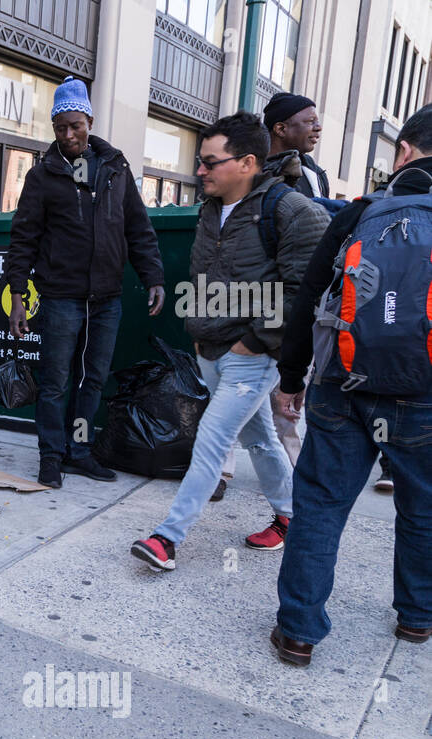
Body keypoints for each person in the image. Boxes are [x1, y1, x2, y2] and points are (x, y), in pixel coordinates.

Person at [267, 103, 432, 666]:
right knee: (424, 505)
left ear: (404, 151)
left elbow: (308, 297)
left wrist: (291, 378)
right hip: (424, 394)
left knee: (319, 504)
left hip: (344, 381)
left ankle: (298, 631)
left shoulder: (361, 214)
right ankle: (416, 617)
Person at [132, 111, 330, 572]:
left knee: (212, 440)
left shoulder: (293, 211)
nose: (199, 171)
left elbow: (304, 291)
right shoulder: (208, 210)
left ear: (246, 162)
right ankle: (291, 517)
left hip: (253, 355)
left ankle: (168, 537)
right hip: (211, 350)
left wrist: (256, 342)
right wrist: (200, 333)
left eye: (209, 162)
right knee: (260, 439)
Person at [3, 75, 166, 489]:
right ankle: (50, 456)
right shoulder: (42, 176)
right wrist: (18, 295)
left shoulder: (115, 167)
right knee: (56, 381)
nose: (69, 134)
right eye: (60, 127)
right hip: (61, 297)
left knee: (92, 378)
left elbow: (138, 226)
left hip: (106, 299)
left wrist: (153, 276)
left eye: (75, 124)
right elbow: (23, 237)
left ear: (89, 120)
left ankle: (78, 451)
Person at [212, 93, 328, 490]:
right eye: (308, 120)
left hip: (288, 305)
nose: (317, 127)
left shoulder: (311, 175)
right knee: (229, 392)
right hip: (241, 300)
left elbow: (316, 249)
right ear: (280, 128)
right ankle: (219, 472)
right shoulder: (244, 171)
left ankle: (297, 486)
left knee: (286, 400)